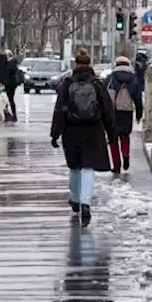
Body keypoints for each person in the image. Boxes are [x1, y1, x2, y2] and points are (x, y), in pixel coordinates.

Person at [51, 49, 116, 224]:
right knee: (88, 167)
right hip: (93, 130)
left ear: (76, 65)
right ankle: (86, 202)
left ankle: (75, 199)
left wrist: (55, 133)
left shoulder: (67, 83)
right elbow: (107, 110)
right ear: (89, 65)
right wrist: (111, 133)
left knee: (74, 167)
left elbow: (59, 109)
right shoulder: (97, 84)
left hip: (71, 130)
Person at [106, 56, 143, 173]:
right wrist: (139, 113)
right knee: (125, 135)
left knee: (113, 139)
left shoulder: (111, 77)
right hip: (127, 110)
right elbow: (137, 98)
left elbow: (105, 96)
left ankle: (116, 166)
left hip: (113, 111)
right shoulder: (133, 78)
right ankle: (126, 154)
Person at [3, 49, 22, 122]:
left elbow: (9, 71)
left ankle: (13, 115)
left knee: (10, 99)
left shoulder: (12, 62)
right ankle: (7, 114)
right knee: (6, 100)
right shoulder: (9, 62)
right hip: (8, 83)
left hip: (11, 84)